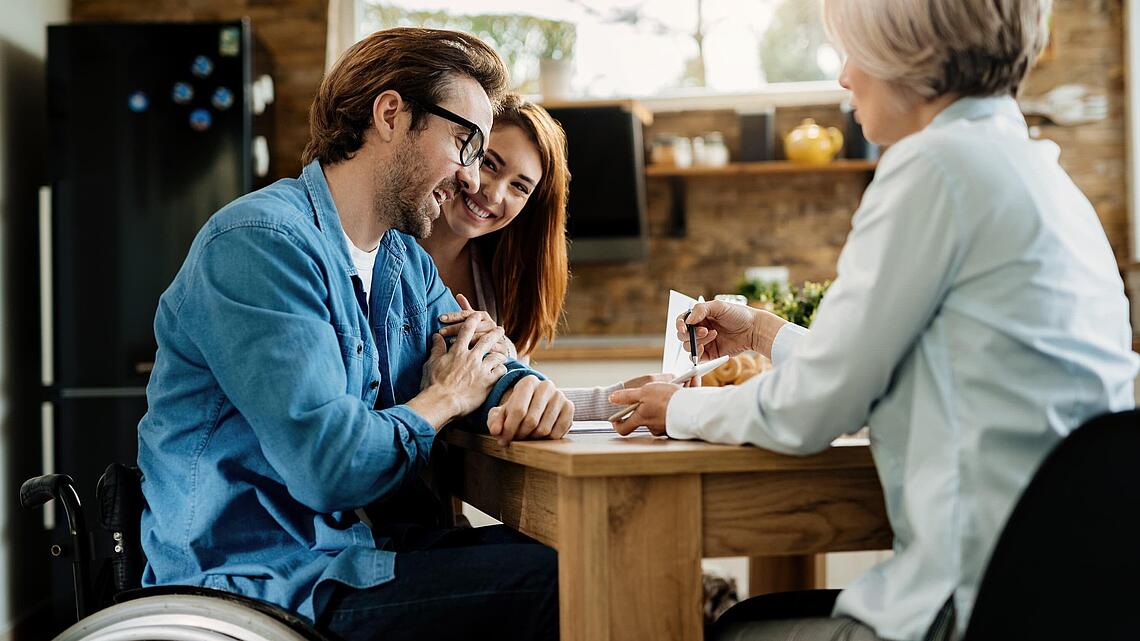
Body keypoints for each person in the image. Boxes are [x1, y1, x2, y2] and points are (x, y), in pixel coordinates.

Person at [609, 1, 1138, 640]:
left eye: (851, 53)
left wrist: (678, 408)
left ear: (907, 55)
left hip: (968, 609)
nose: (843, 79)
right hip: (1067, 600)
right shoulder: (1042, 178)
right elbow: (872, 379)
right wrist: (765, 335)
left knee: (722, 629)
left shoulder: (934, 169)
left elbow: (810, 411)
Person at [137, 28, 568, 641]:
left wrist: (526, 390)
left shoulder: (403, 262)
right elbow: (328, 467)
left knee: (588, 549)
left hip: (361, 556)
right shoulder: (260, 243)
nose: (472, 180)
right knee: (566, 579)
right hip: (267, 584)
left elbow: (480, 358)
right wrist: (443, 398)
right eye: (465, 144)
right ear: (391, 114)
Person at [419, 94, 669, 421]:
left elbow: (515, 401)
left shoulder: (497, 280)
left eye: (520, 187)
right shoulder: (382, 251)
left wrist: (620, 398)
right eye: (489, 163)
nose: (494, 193)